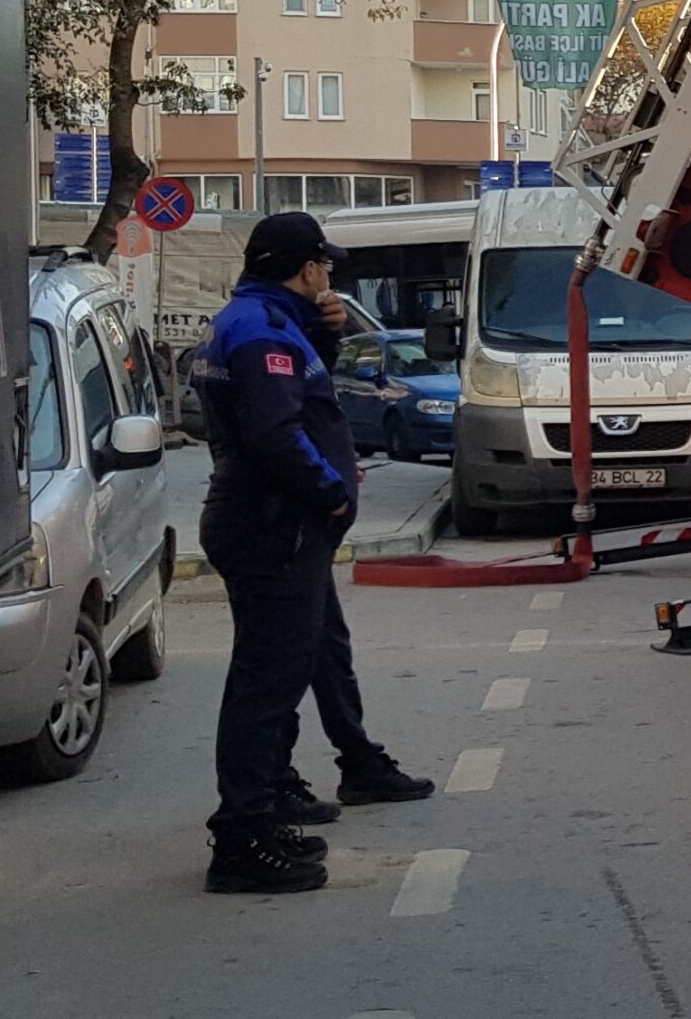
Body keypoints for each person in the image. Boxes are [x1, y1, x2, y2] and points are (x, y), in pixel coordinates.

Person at [194, 212, 432, 895]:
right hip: (275, 522)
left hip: (269, 521)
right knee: (266, 682)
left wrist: (322, 336)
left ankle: (283, 793)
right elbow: (275, 432)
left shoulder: (256, 320)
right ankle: (244, 835)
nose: (329, 276)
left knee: (306, 654)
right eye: (324, 266)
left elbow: (299, 393)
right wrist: (329, 492)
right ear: (306, 269)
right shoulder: (262, 332)